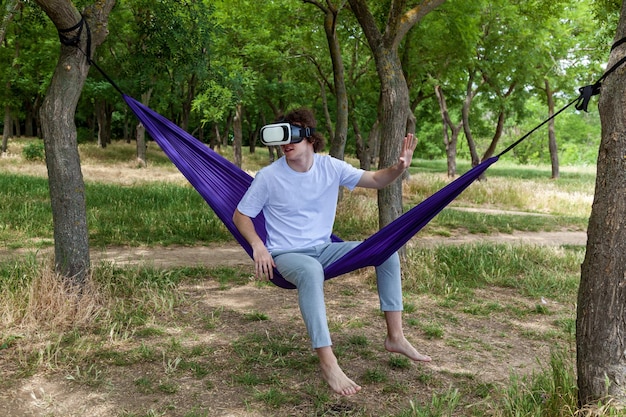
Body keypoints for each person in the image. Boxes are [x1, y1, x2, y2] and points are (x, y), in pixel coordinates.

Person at [232, 108, 431, 396]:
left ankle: (395, 337)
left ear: (310, 138)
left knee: (385, 251)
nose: (286, 143)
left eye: (294, 136)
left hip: (325, 249)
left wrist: (399, 168)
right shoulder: (268, 176)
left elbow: (376, 180)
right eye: (281, 137)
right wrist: (258, 246)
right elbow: (241, 215)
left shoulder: (330, 167)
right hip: (288, 255)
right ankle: (328, 361)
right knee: (311, 272)